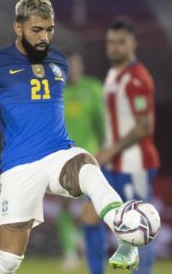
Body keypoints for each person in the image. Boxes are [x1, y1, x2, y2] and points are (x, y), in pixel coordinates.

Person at [0, 0, 141, 273]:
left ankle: (124, 231)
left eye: (49, 29)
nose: (44, 37)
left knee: (87, 165)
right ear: (18, 27)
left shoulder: (59, 63)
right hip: (20, 165)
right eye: (37, 30)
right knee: (8, 260)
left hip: (59, 154)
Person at [80, 19, 160, 274]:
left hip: (134, 164)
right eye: (111, 42)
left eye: (120, 42)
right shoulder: (114, 75)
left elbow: (143, 127)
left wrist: (106, 153)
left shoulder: (137, 78)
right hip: (113, 163)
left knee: (138, 227)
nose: (114, 47)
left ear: (133, 44)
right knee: (89, 217)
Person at [59, 51, 105, 270]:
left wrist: (106, 152)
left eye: (75, 65)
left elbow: (103, 125)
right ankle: (70, 251)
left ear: (82, 66)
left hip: (90, 157)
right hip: (63, 157)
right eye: (67, 66)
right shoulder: (56, 91)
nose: (72, 70)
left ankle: (82, 240)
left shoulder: (94, 89)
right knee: (66, 205)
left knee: (89, 207)